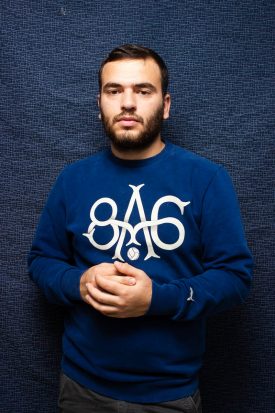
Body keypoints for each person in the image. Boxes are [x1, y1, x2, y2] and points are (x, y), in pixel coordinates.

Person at [28, 44, 253, 413]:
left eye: (142, 91)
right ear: (99, 103)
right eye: (113, 91)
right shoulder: (73, 180)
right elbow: (41, 261)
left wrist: (156, 301)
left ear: (165, 106)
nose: (127, 103)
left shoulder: (207, 179)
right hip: (81, 387)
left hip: (169, 394)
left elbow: (235, 277)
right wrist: (80, 284)